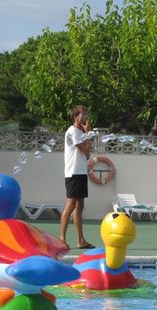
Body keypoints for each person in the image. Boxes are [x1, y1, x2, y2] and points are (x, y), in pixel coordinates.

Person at [60, 105, 94, 249]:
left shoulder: (80, 132)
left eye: (86, 114)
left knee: (79, 206)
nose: (85, 117)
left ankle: (80, 240)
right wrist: (88, 133)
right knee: (71, 204)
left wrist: (86, 134)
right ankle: (62, 239)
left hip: (81, 172)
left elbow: (87, 155)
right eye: (82, 114)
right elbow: (85, 150)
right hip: (73, 172)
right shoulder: (73, 131)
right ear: (75, 117)